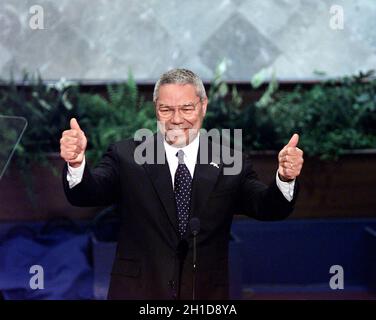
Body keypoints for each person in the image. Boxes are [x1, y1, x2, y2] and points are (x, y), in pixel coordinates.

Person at [60, 68, 304, 300]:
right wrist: (76, 163)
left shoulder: (231, 162)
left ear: (203, 107)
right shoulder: (126, 155)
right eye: (166, 109)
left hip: (205, 294)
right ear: (156, 109)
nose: (177, 119)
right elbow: (87, 193)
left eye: (187, 108)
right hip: (138, 291)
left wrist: (285, 178)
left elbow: (268, 207)